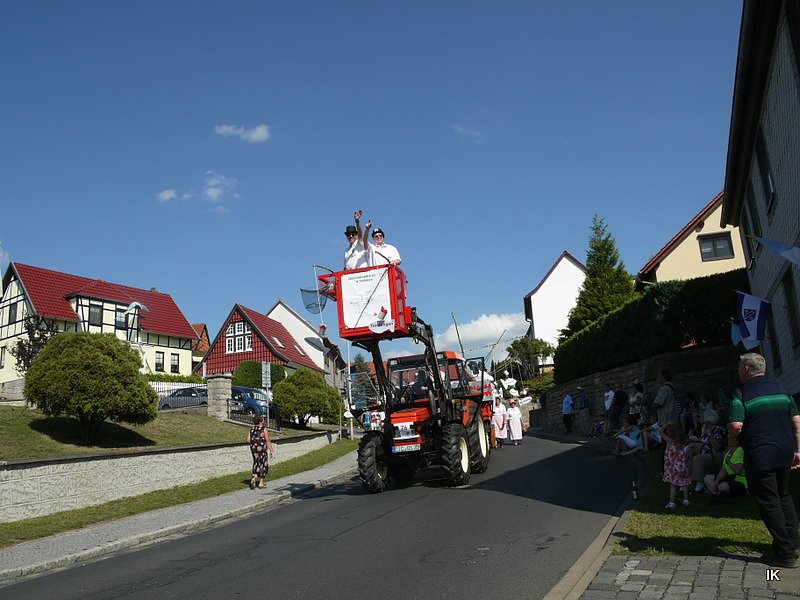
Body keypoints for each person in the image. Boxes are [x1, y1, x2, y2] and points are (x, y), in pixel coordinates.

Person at [728, 352, 800, 568]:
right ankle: (793, 543)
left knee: (769, 501)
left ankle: (785, 553)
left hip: (761, 453)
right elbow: (796, 421)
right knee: (783, 495)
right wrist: (798, 450)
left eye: (740, 366)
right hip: (784, 450)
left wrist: (739, 442)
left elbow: (735, 426)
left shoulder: (741, 394)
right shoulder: (782, 389)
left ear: (746, 369)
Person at [686, 410, 726, 495]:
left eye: (704, 419)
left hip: (717, 455)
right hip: (706, 453)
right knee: (690, 458)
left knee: (698, 459)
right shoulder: (707, 430)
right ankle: (686, 483)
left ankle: (699, 485)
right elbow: (702, 444)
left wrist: (709, 435)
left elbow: (717, 447)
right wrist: (692, 452)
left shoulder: (718, 430)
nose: (703, 420)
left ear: (709, 421)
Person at [661, 421, 691, 510]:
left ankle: (672, 502)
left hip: (671, 467)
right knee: (684, 483)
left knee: (673, 484)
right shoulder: (682, 441)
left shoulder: (669, 441)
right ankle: (686, 500)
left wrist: (666, 424)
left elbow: (660, 431)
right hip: (681, 465)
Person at [246, 415, 274, 489]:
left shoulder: (252, 429)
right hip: (261, 448)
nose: (264, 420)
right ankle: (261, 483)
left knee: (256, 462)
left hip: (254, 448)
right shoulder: (264, 429)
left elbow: (248, 440)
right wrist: (271, 450)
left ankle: (253, 478)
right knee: (263, 464)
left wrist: (255, 442)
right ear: (260, 421)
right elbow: (267, 440)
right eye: (263, 419)